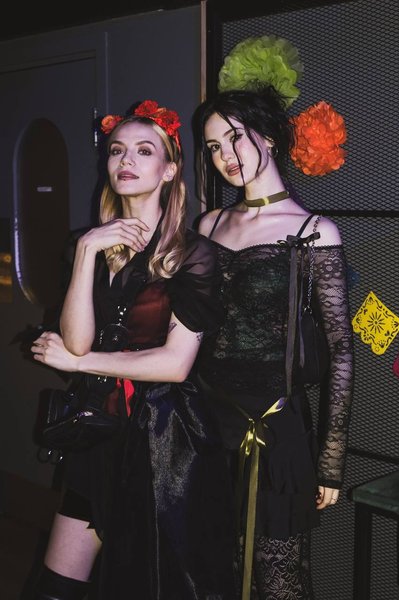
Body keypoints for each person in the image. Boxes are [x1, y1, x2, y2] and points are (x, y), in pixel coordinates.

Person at [30, 99, 236, 600]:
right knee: (54, 588)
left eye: (144, 151)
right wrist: (87, 251)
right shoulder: (87, 244)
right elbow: (76, 338)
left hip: (164, 444)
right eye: (116, 150)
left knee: (151, 586)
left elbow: (175, 364)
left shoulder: (194, 254)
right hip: (97, 434)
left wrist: (77, 362)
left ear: (169, 170)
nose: (126, 160)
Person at [192, 86, 354, 600]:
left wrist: (330, 460)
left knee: (280, 582)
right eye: (213, 146)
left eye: (234, 138)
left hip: (275, 427)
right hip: (207, 423)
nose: (225, 156)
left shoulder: (315, 231)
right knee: (216, 570)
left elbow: (341, 352)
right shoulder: (209, 225)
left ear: (267, 136)